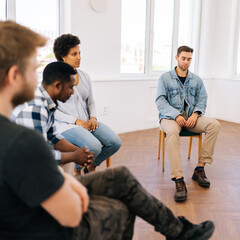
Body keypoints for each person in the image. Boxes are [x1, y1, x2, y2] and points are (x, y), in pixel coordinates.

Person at [0, 20, 215, 240]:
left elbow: (47, 147)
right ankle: (177, 231)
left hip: (45, 196)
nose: (39, 78)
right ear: (14, 75)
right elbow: (66, 211)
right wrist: (73, 187)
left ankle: (179, 232)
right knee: (120, 209)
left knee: (120, 176)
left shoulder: (36, 112)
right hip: (41, 225)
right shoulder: (25, 127)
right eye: (34, 70)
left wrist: (72, 168)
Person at [156, 46, 220, 202]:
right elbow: (160, 101)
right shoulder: (165, 78)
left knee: (214, 125)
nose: (186, 62)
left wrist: (196, 114)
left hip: (192, 118)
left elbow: (202, 99)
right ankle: (178, 179)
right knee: (172, 132)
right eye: (183, 58)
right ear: (177, 58)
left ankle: (199, 169)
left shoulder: (196, 80)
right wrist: (176, 115)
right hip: (170, 118)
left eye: (189, 59)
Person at [53, 34, 121, 174]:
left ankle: (91, 166)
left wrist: (93, 118)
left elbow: (91, 102)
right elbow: (53, 110)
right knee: (94, 146)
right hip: (66, 126)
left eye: (79, 53)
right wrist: (76, 121)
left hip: (87, 122)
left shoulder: (84, 76)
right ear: (63, 57)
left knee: (115, 142)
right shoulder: (54, 78)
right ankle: (78, 169)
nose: (79, 57)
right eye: (74, 54)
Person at [12, 61, 94, 172]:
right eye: (70, 87)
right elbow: (38, 155)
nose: (73, 92)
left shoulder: (47, 102)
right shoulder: (37, 107)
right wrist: (74, 156)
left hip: (32, 158)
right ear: (57, 86)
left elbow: (54, 137)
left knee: (67, 162)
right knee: (64, 166)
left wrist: (79, 151)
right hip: (18, 167)